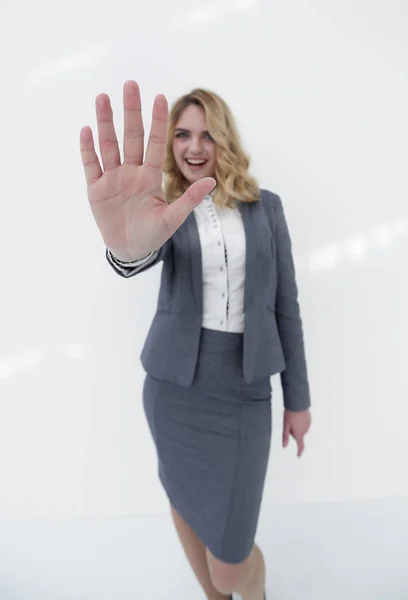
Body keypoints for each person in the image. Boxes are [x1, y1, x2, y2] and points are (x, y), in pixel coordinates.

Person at [80, 80, 312, 600]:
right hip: (173, 389)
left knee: (230, 564)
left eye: (206, 135)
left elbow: (286, 306)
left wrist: (299, 400)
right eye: (182, 134)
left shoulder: (265, 208)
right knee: (185, 503)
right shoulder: (163, 207)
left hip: (245, 389)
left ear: (224, 140)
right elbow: (137, 253)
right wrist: (124, 249)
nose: (192, 146)